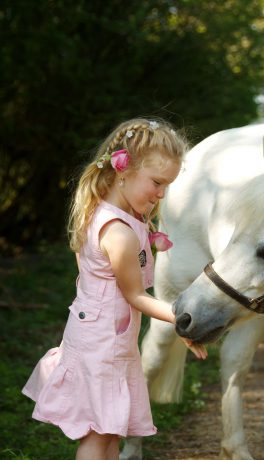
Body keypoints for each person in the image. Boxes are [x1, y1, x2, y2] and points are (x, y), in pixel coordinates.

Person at [22, 118, 207, 459]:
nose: (161, 193)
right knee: (97, 436)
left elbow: (89, 281)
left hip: (104, 338)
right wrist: (183, 318)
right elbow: (135, 296)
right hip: (103, 346)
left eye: (166, 185)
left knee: (108, 434)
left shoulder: (106, 216)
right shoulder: (118, 233)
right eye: (156, 182)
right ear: (124, 171)